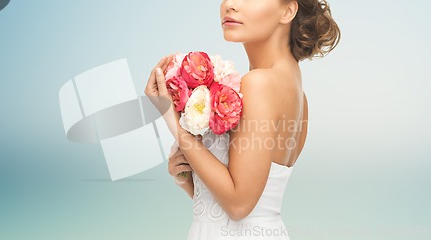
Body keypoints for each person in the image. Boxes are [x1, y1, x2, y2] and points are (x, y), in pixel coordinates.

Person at [144, 0, 340, 239]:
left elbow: (239, 205)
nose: (230, 5)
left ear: (288, 10)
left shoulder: (259, 84)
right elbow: (255, 200)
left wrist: (171, 118)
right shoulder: (298, 94)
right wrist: (188, 179)